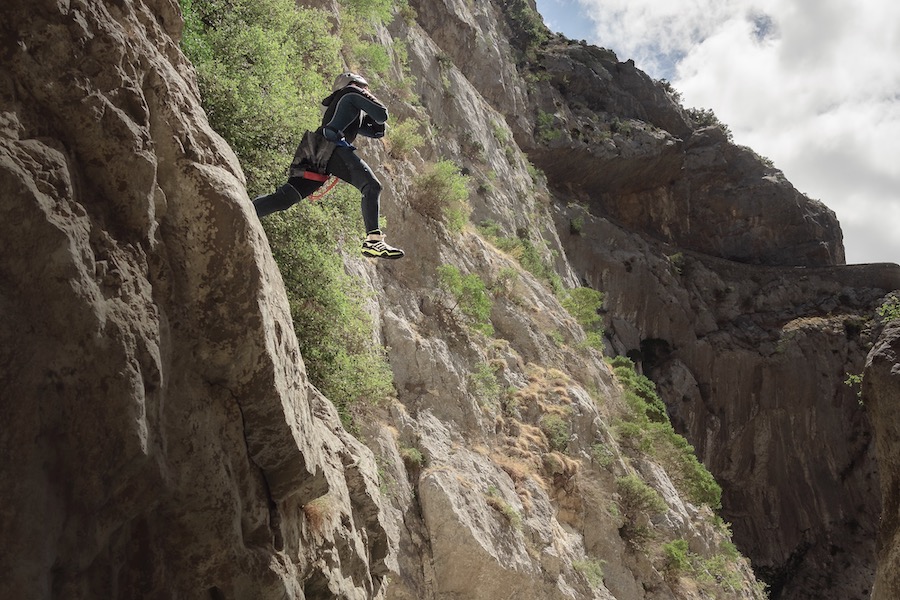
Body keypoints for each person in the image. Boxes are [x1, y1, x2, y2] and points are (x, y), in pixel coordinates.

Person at [254, 72, 404, 259]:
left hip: (315, 147)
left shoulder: (347, 107)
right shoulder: (351, 92)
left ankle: (248, 208)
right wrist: (371, 99)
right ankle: (374, 241)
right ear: (354, 84)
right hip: (331, 147)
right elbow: (382, 114)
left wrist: (369, 113)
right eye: (365, 87)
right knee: (371, 186)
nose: (367, 91)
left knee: (286, 197)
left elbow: (377, 131)